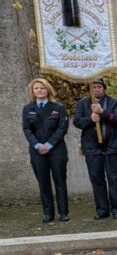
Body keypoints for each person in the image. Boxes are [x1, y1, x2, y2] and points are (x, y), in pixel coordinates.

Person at [73, 78, 117, 219]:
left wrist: (103, 112)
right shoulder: (82, 104)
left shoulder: (115, 102)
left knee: (113, 178)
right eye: (94, 87)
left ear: (103, 88)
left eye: (99, 86)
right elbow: (77, 122)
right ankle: (102, 210)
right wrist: (90, 119)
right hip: (92, 148)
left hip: (111, 147)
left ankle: (116, 209)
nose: (97, 89)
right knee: (96, 179)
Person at [22, 77, 70, 223]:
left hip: (56, 149)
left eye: (42, 88)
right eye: (36, 88)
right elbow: (27, 129)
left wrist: (48, 145)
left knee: (60, 181)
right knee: (43, 183)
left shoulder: (58, 107)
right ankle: (48, 213)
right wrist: (38, 145)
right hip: (37, 151)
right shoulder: (28, 109)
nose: (39, 90)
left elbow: (62, 128)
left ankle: (63, 212)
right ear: (32, 91)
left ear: (48, 90)